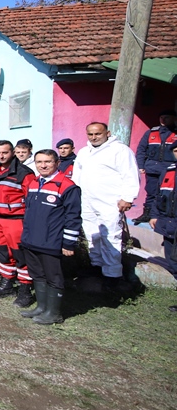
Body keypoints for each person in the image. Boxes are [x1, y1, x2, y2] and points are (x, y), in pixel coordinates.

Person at [71, 122, 140, 292]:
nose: (94, 137)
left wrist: (127, 197)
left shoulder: (120, 150)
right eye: (90, 134)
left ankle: (112, 275)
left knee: (110, 236)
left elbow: (130, 174)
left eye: (98, 134)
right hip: (87, 200)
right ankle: (96, 266)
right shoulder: (84, 152)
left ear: (107, 133)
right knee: (92, 234)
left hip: (110, 201)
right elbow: (77, 174)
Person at [20, 149, 81, 324]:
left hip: (51, 241)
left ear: (57, 163)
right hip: (31, 240)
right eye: (39, 162)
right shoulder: (33, 183)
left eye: (47, 162)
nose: (43, 165)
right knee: (37, 275)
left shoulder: (67, 186)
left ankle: (54, 313)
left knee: (53, 277)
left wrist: (69, 243)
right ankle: (41, 307)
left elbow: (73, 217)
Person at [0, 141, 35, 304]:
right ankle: (7, 283)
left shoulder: (23, 173)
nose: (1, 156)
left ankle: (25, 290)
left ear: (12, 152)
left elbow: (31, 201)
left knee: (20, 255)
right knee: (3, 253)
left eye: (5, 153)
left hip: (15, 221)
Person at [134, 109, 177, 223]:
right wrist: (140, 165)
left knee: (168, 193)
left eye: (166, 117)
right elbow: (141, 149)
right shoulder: (151, 132)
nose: (163, 120)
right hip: (152, 168)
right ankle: (147, 214)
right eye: (161, 117)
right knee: (151, 192)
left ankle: (164, 215)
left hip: (170, 169)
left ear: (174, 119)